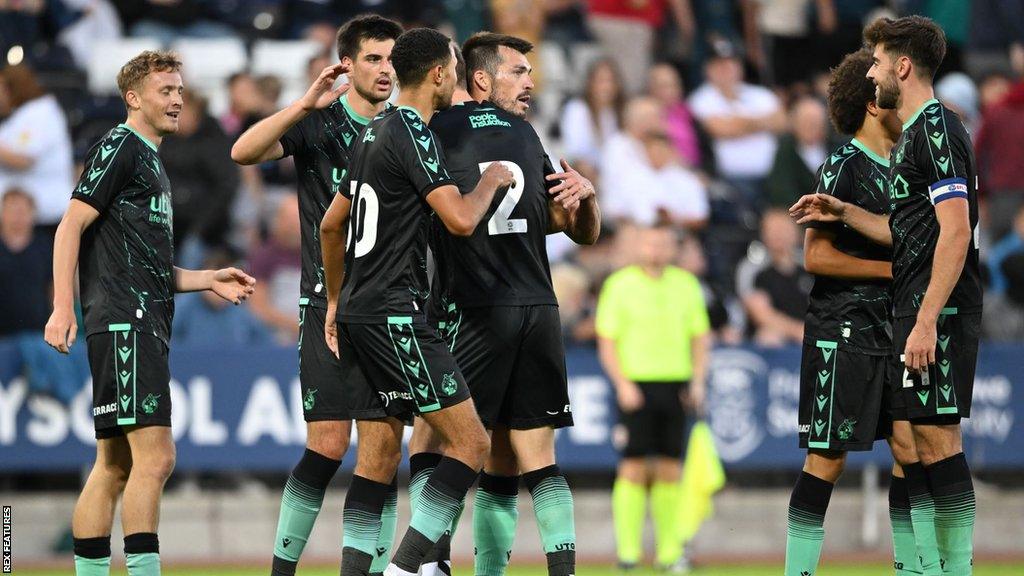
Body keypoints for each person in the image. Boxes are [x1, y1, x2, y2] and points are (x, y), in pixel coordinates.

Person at [43, 50, 256, 576]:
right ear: (133, 99)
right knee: (156, 458)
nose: (178, 99)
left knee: (114, 465)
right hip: (124, 322)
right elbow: (69, 226)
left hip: (138, 318)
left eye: (180, 90)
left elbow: (149, 265)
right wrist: (60, 308)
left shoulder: (149, 158)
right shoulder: (121, 146)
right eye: (166, 91)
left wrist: (208, 278)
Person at [317, 28, 514, 576]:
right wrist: (492, 181)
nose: (456, 78)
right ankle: (406, 570)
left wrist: (336, 299)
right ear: (438, 74)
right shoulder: (412, 131)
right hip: (394, 313)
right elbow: (461, 219)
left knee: (377, 457)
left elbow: (331, 226)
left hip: (358, 311)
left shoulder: (370, 131)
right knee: (471, 443)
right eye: (453, 69)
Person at [793, 17, 982, 574]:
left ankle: (957, 567)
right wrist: (845, 211)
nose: (869, 74)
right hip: (914, 311)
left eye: (876, 62)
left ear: (902, 67)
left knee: (939, 442)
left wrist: (925, 321)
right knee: (920, 442)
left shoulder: (938, 130)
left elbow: (957, 230)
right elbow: (908, 230)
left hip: (936, 310)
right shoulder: (912, 140)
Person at [411, 32, 601, 576]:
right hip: (538, 307)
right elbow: (577, 230)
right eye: (518, 72)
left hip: (471, 306)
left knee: (434, 436)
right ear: (482, 80)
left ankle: (429, 565)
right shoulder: (523, 134)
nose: (530, 82)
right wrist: (586, 199)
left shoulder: (436, 129)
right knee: (529, 455)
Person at [230, 14, 404, 576]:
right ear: (347, 64)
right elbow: (244, 151)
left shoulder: (407, 130)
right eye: (373, 58)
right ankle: (282, 571)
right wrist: (303, 105)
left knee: (381, 451)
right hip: (321, 306)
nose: (385, 69)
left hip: (387, 310)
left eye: (391, 59)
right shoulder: (318, 125)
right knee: (327, 444)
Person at [783, 48, 925, 576]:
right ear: (872, 101)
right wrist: (895, 272)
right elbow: (815, 255)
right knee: (828, 459)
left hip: (897, 327)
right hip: (842, 328)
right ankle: (798, 571)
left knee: (911, 451)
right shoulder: (841, 166)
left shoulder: (910, 166)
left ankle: (911, 567)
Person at [595, 225, 710, 573]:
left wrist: (698, 380)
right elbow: (607, 341)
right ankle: (628, 553)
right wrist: (622, 383)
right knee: (631, 467)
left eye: (663, 243)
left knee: (669, 468)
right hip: (636, 385)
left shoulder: (687, 285)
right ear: (639, 245)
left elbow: (700, 338)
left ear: (672, 248)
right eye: (650, 242)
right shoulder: (619, 285)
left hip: (675, 383)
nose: (656, 249)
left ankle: (669, 552)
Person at [0, 64, 74, 235]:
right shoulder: (18, 116)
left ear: (13, 87)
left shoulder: (40, 111)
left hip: (45, 218)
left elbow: (24, 159)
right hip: (20, 220)